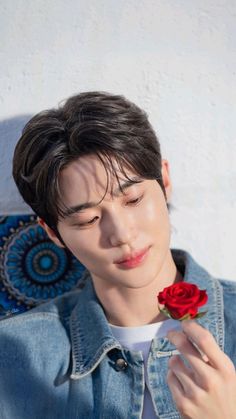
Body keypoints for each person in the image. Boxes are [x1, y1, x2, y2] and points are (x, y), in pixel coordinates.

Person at [0, 91, 235, 419]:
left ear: (164, 181)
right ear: (53, 232)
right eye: (88, 220)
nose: (122, 234)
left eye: (134, 200)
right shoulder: (14, 356)